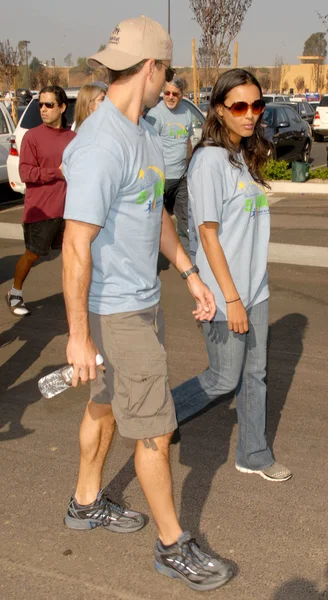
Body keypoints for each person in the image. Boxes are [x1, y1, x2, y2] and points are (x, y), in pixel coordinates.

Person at [61, 16, 233, 592]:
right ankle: (171, 545)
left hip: (142, 301)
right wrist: (79, 335)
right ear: (155, 68)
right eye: (169, 70)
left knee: (105, 406)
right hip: (118, 313)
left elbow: (153, 213)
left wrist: (189, 273)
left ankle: (85, 502)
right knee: (155, 432)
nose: (170, 80)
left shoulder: (143, 134)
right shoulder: (101, 142)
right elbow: (75, 244)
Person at [172, 69, 292, 483]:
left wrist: (250, 289)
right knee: (224, 377)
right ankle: (156, 417)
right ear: (219, 110)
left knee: (254, 375)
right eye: (239, 106)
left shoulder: (242, 154)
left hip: (255, 287)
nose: (251, 114)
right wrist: (233, 298)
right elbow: (207, 235)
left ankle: (254, 453)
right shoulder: (208, 161)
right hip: (227, 293)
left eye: (257, 105)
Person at [6, 85, 75, 317]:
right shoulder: (32, 137)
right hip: (41, 212)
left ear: (62, 107)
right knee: (32, 255)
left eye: (49, 105)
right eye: (40, 105)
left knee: (74, 254)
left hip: (69, 211)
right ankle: (15, 292)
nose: (43, 109)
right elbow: (26, 173)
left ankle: (77, 299)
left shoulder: (73, 138)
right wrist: (57, 173)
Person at [146, 76, 193, 253]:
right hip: (161, 179)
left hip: (181, 177)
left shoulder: (186, 113)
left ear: (181, 94)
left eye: (175, 93)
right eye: (167, 93)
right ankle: (150, 258)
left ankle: (190, 258)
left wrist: (189, 166)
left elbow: (187, 143)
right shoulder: (155, 115)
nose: (170, 97)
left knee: (185, 220)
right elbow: (148, 146)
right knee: (155, 220)